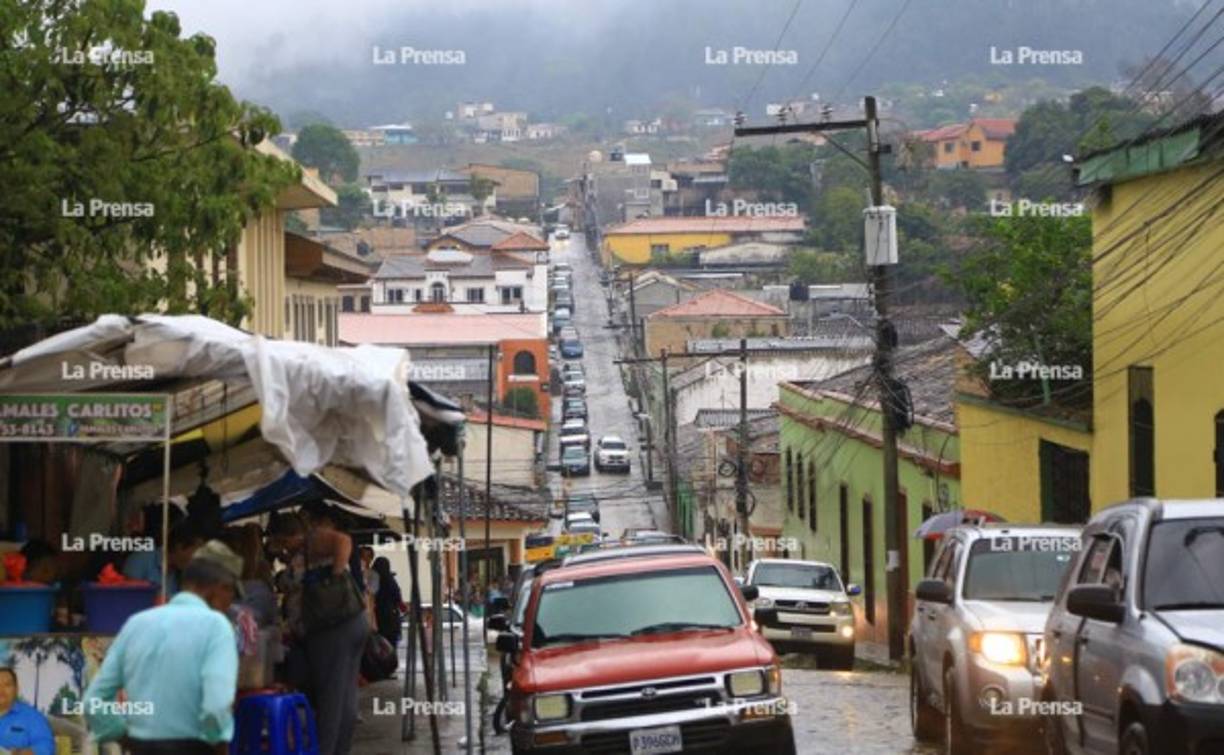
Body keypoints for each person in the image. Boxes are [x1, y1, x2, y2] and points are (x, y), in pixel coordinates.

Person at [82, 541, 243, 755]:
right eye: (231, 594)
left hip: (141, 748)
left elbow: (93, 700)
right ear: (219, 588)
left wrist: (125, 737)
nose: (230, 602)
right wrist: (217, 743)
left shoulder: (137, 624)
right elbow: (216, 705)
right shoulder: (216, 626)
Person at [267, 512, 367, 755]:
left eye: (282, 542)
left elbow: (343, 542)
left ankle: (327, 750)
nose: (283, 550)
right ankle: (339, 749)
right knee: (344, 696)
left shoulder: (313, 540)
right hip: (349, 623)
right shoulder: (304, 549)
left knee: (330, 697)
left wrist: (333, 576)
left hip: (331, 627)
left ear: (289, 535)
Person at [123, 518, 205, 596]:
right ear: (179, 547)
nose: (197, 557)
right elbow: (130, 596)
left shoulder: (181, 573)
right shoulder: (140, 560)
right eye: (196, 551)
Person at [0, 668, 54, 755]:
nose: (1, 690)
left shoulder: (32, 717)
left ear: (16, 689)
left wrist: (25, 752)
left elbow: (47, 747)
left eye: (7, 685)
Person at [370, 557, 403, 649]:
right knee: (390, 647)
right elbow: (398, 598)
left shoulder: (372, 580)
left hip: (376, 617)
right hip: (390, 618)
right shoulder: (391, 581)